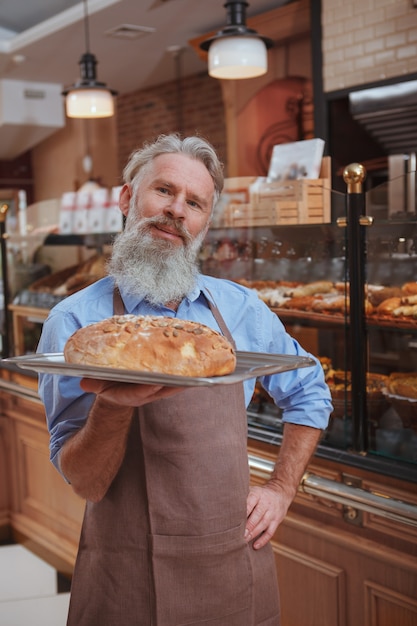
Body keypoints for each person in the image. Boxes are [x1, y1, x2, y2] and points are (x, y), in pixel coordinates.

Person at [37, 133, 332, 626]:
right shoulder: (74, 324)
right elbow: (85, 481)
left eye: (194, 203)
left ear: (203, 224)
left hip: (230, 562)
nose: (177, 210)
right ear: (128, 199)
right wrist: (112, 403)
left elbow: (310, 390)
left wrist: (282, 488)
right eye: (165, 191)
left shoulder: (237, 309)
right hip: (124, 570)